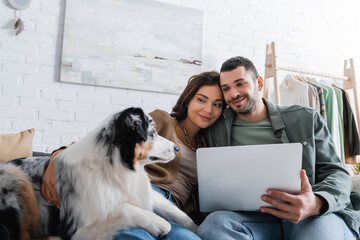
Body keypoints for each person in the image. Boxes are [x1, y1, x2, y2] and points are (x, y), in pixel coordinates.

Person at [41, 71, 226, 239]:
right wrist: (57, 157)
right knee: (134, 236)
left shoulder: (210, 144)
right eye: (201, 99)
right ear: (188, 99)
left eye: (217, 104)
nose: (208, 110)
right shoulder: (162, 120)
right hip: (141, 193)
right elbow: (107, 142)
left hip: (175, 210)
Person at [197, 56, 360, 240]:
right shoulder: (214, 127)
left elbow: (337, 174)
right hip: (255, 220)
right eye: (226, 88)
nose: (233, 94)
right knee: (214, 226)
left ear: (258, 83)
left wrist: (315, 203)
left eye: (240, 84)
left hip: (310, 215)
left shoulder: (305, 119)